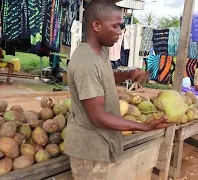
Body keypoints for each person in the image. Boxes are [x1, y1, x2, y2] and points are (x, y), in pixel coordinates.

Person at [64, 0, 172, 179]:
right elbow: (98, 117)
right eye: (115, 26)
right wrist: (143, 126)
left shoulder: (99, 52)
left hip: (100, 143)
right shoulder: (86, 63)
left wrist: (128, 74)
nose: (120, 31)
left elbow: (105, 77)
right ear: (96, 26)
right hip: (89, 150)